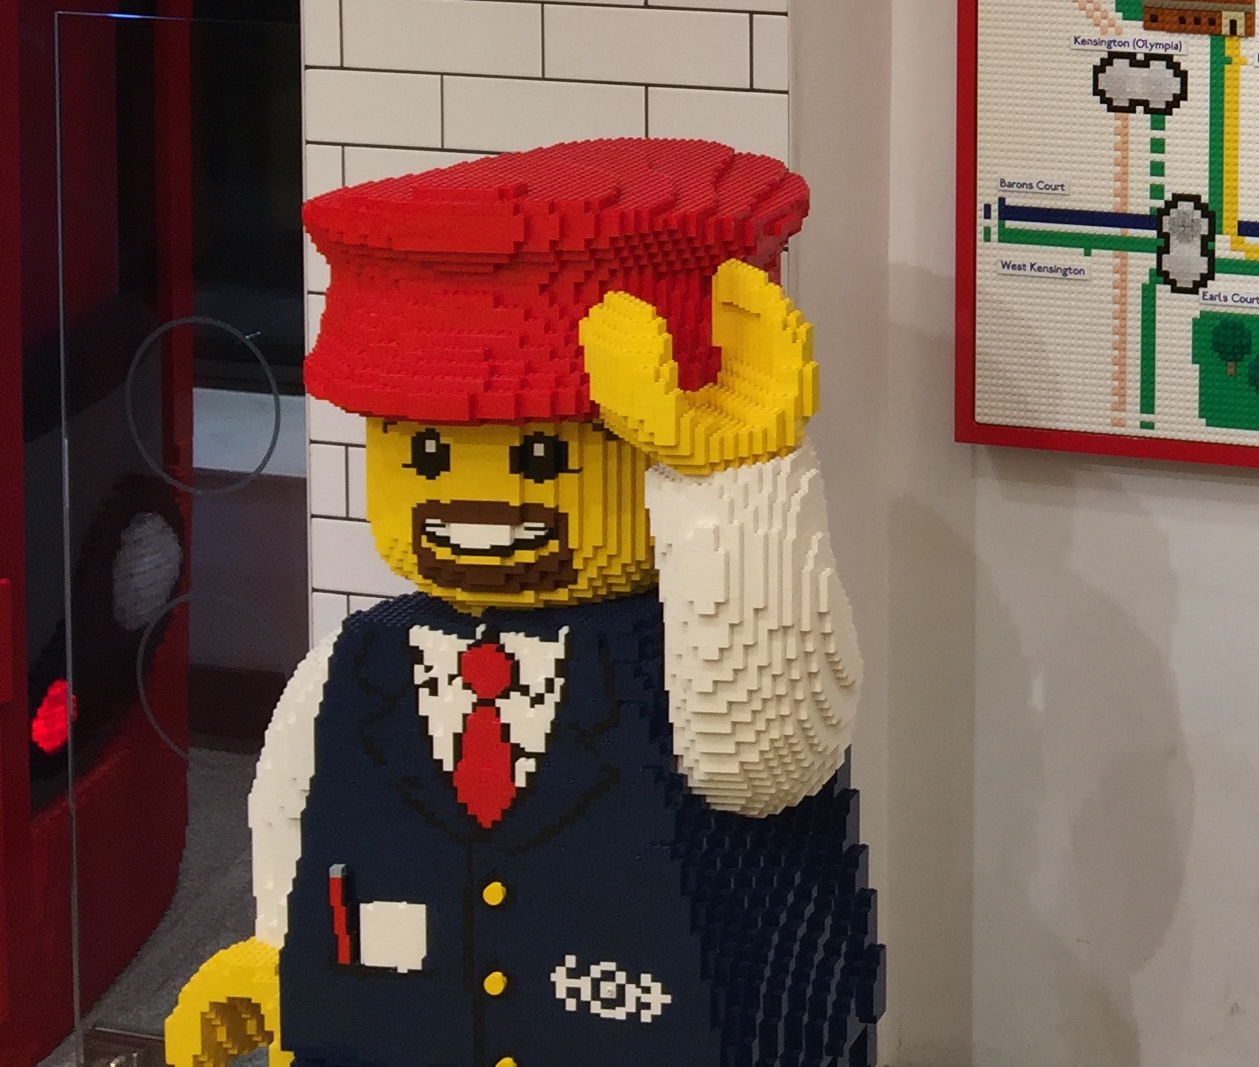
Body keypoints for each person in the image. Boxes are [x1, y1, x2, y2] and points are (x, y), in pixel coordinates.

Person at [167, 138, 882, 1067]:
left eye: (541, 457)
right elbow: (300, 815)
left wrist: (737, 482)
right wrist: (275, 952)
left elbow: (763, 760)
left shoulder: (698, 658)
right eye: (422, 455)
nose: (469, 500)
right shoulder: (354, 666)